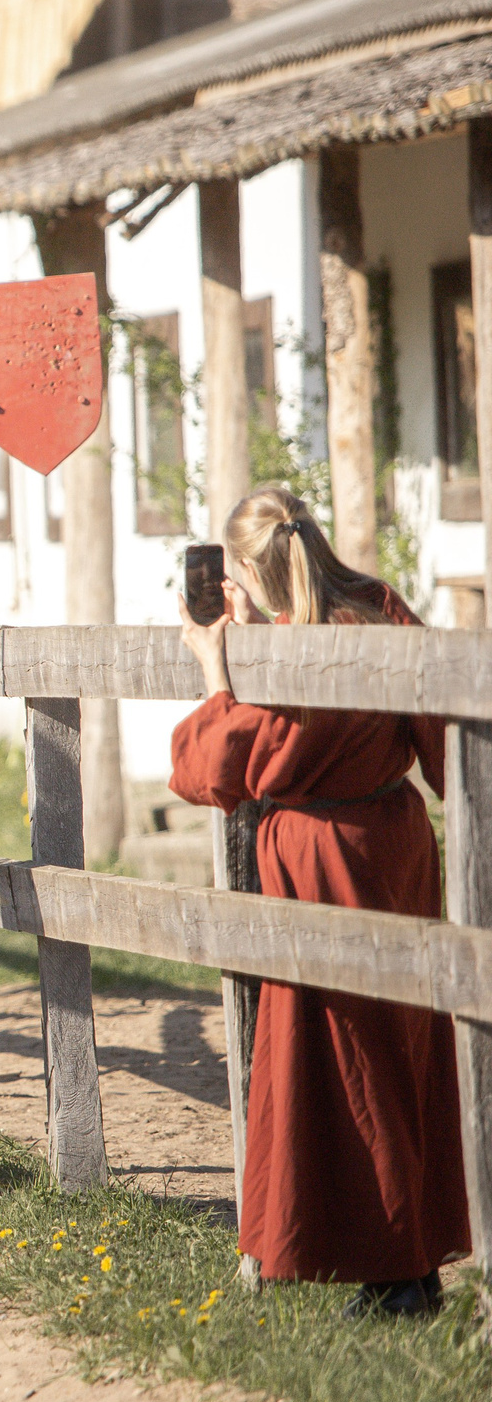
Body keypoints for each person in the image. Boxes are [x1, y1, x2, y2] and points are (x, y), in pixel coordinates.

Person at [169, 485, 470, 1317]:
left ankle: (392, 1273)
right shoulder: (379, 608)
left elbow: (212, 767)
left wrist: (216, 665)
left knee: (338, 1056)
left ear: (250, 573)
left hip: (317, 857)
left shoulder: (285, 651)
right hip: (398, 849)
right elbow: (444, 736)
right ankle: (414, 1259)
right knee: (400, 1045)